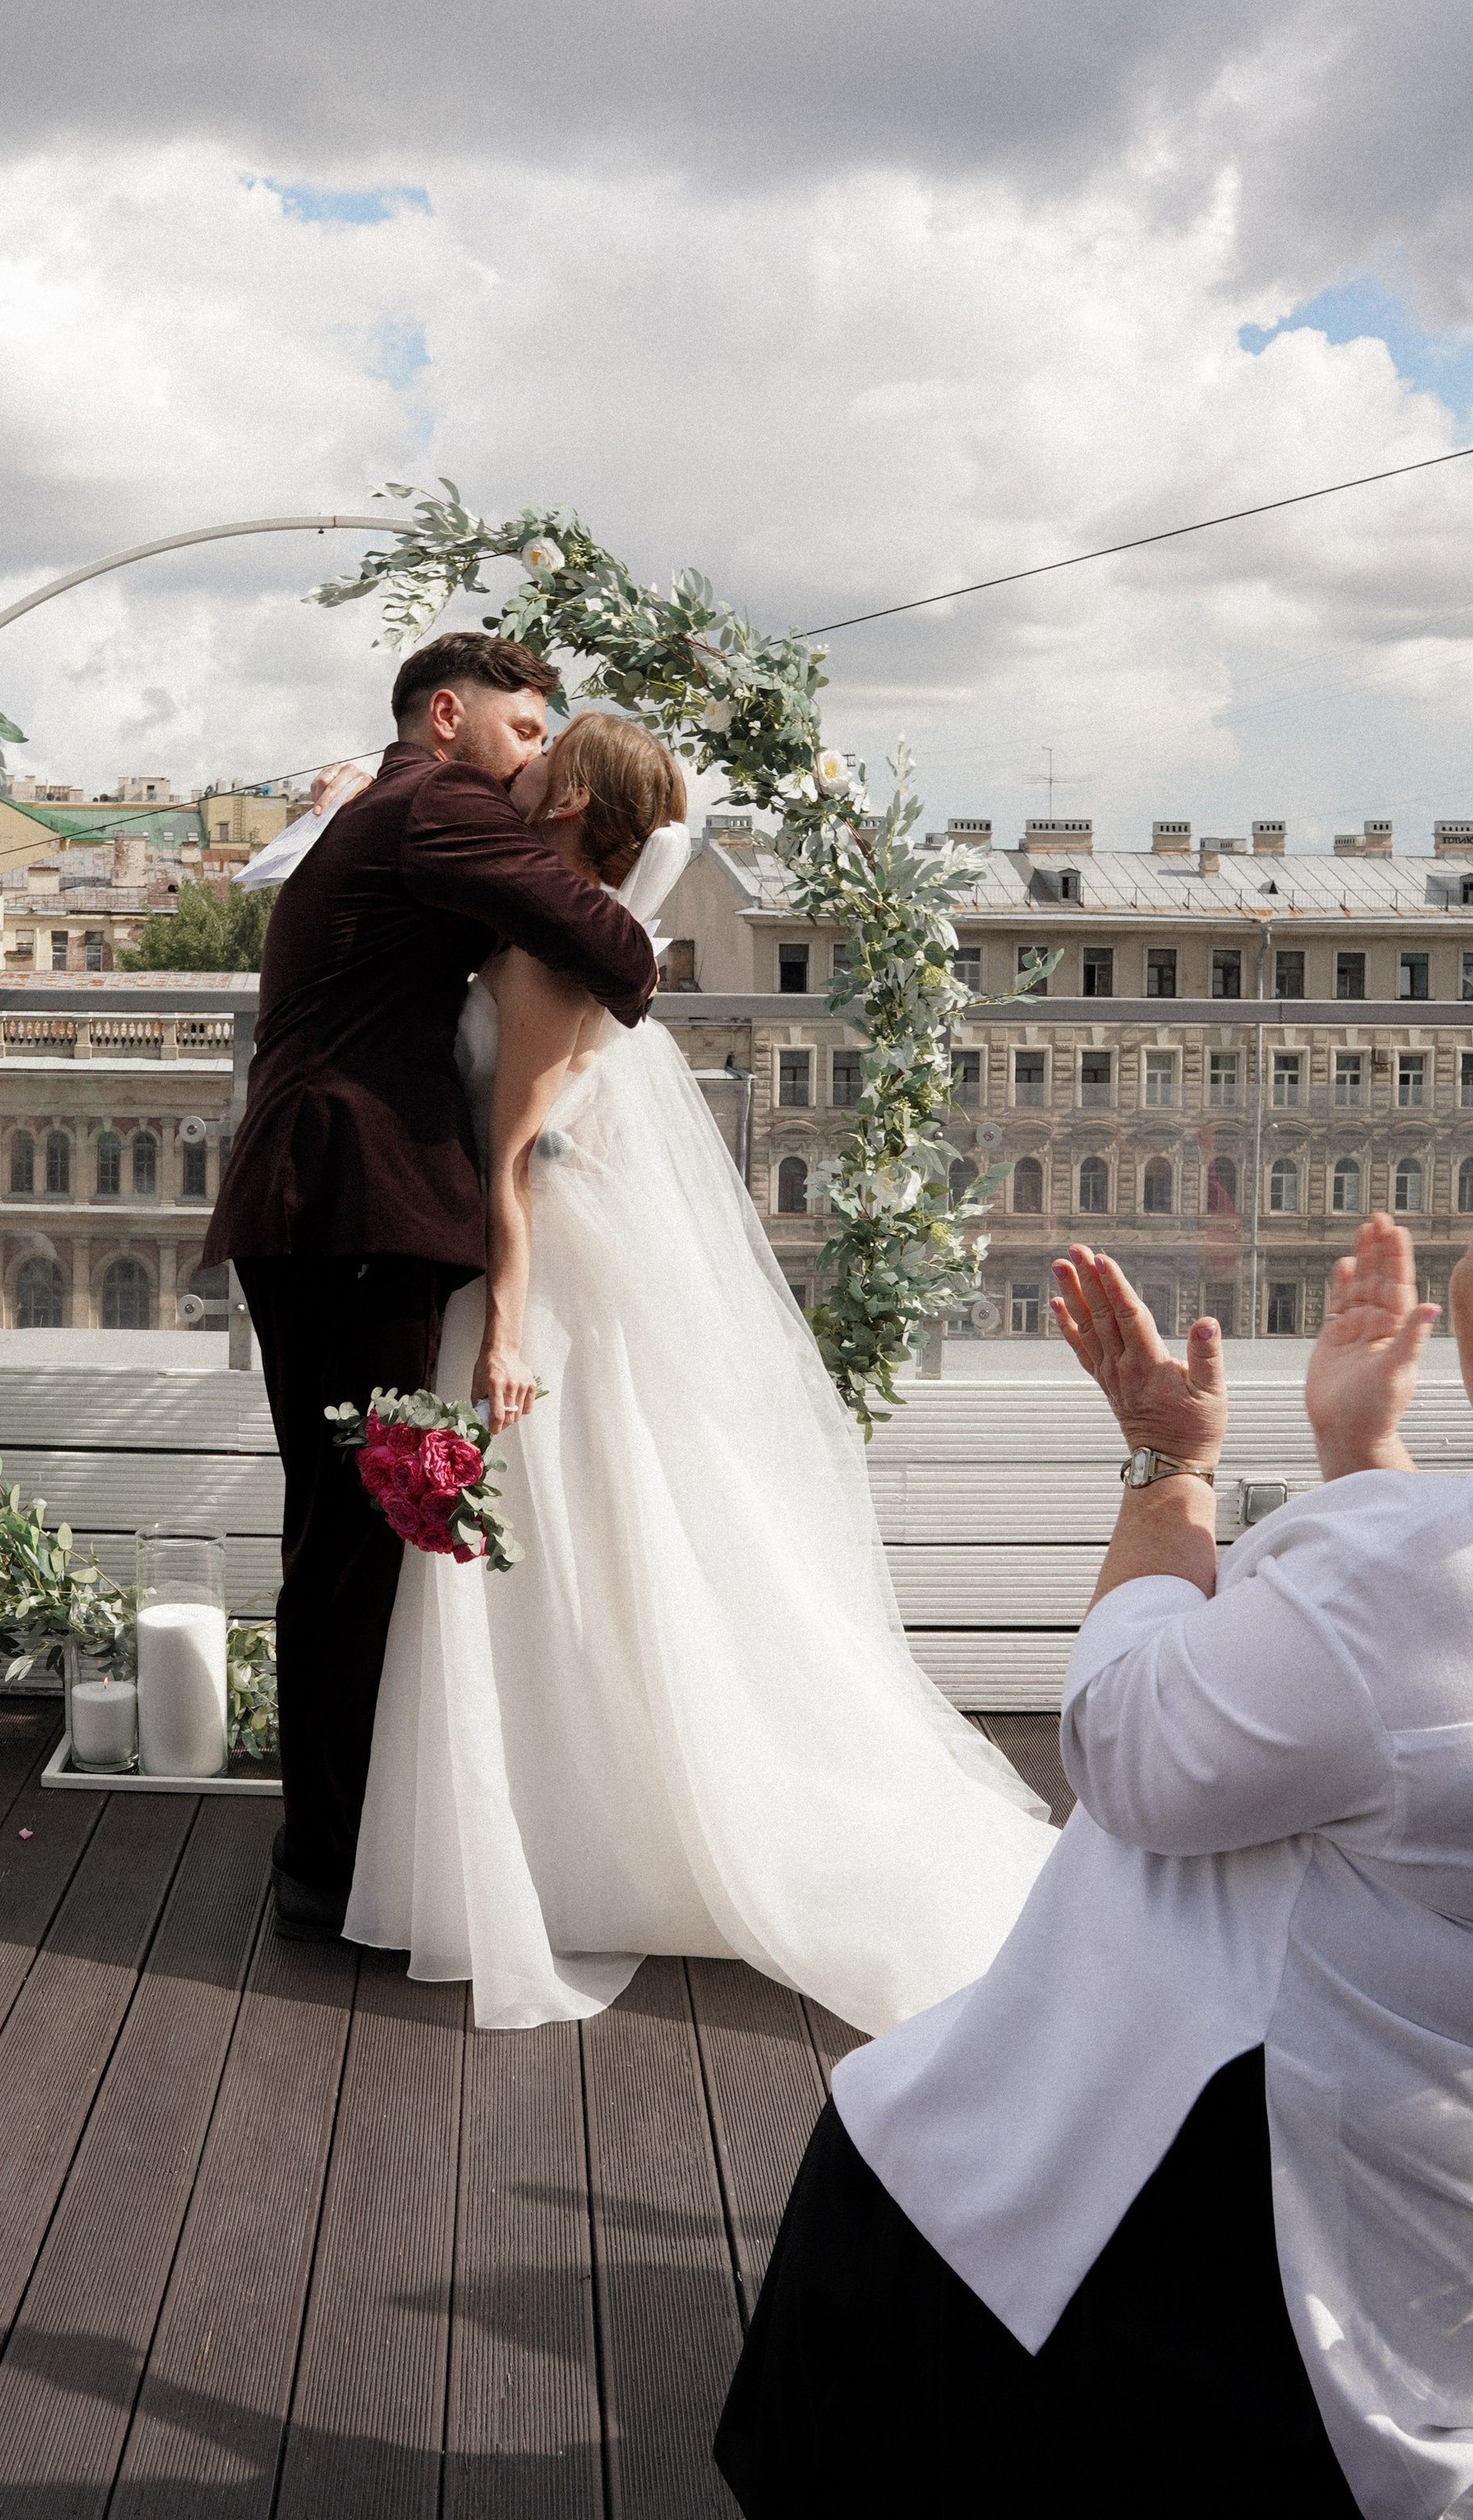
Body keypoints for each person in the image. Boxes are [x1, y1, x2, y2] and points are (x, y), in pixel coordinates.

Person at [717, 1214, 1473, 2520]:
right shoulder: (1413, 1574)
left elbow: (1129, 1739)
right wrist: (1364, 1458)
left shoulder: (1409, 1574)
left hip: (1233, 2249)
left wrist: (1167, 1467)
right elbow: (1410, 1733)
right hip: (1423, 2223)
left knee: (891, 2142)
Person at [344, 712, 1058, 2031]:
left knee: (574, 1551)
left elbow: (516, 1162)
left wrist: (501, 1335)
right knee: (611, 1554)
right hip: (552, 1278)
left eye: (543, 764)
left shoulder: (550, 950)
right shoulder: (580, 923)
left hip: (536, 1295)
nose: (524, 767)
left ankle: (581, 1845)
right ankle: (592, 1825)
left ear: (567, 808)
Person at [204, 633, 660, 1941]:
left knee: (341, 1539)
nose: (536, 763)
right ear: (449, 717)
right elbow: (610, 949)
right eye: (526, 732)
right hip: (353, 1209)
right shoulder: (435, 802)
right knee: (354, 1548)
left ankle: (335, 1843)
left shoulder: (391, 807)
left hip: (319, 1203)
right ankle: (329, 1867)